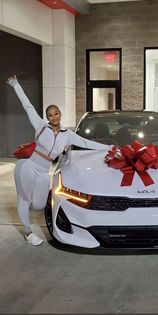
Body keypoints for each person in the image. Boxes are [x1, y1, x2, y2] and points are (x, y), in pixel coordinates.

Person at [7, 75, 110, 246]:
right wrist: (15, 84)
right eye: (50, 115)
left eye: (56, 113)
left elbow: (86, 143)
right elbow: (28, 106)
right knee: (24, 200)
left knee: (39, 205)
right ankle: (28, 232)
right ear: (47, 117)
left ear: (60, 114)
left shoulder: (67, 135)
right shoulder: (40, 126)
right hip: (28, 166)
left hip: (43, 172)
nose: (54, 117)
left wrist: (108, 148)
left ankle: (25, 212)